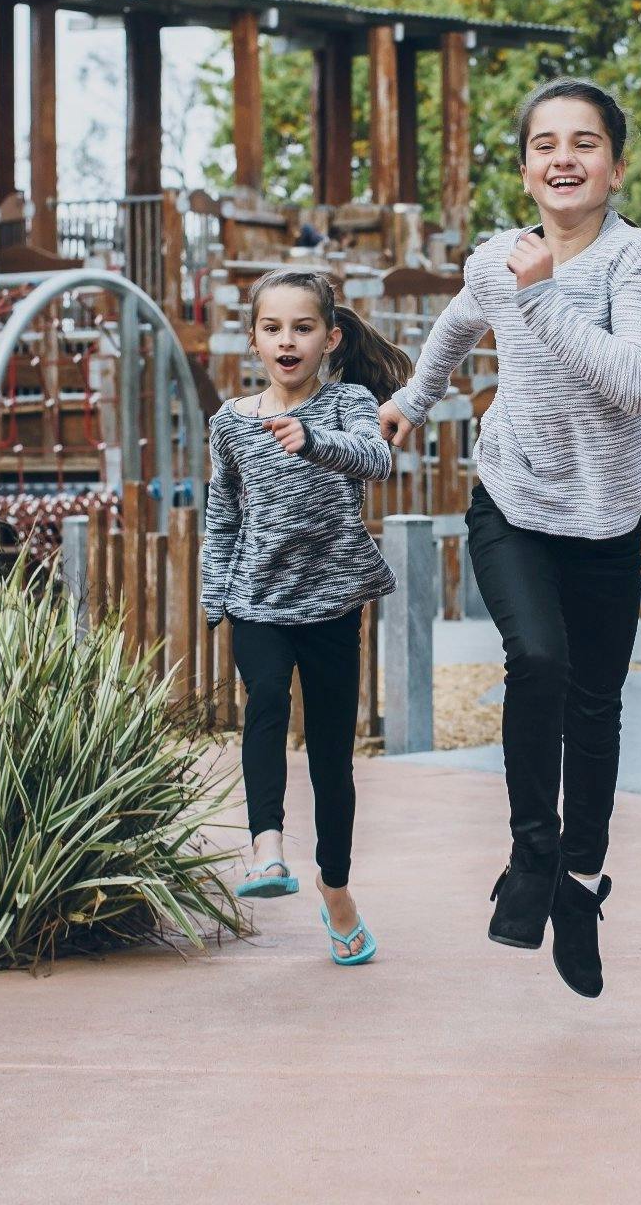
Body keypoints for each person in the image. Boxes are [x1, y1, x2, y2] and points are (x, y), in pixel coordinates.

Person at [379, 77, 641, 999]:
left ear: (615, 167)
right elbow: (459, 325)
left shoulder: (636, 261)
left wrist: (543, 298)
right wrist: (412, 400)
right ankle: (530, 856)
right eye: (546, 143)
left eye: (586, 143)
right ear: (525, 169)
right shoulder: (495, 261)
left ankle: (579, 887)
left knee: (595, 705)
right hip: (511, 496)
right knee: (537, 661)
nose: (565, 157)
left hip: (607, 516)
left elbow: (634, 380)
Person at [200, 267, 413, 967]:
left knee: (331, 756)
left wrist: (312, 440)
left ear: (330, 337)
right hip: (256, 599)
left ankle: (338, 893)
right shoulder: (231, 422)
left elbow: (376, 457)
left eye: (302, 327)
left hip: (329, 604)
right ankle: (266, 850)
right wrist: (213, 595)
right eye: (272, 328)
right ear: (254, 339)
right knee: (262, 703)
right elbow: (223, 514)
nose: (286, 340)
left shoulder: (348, 401)